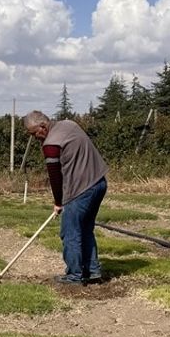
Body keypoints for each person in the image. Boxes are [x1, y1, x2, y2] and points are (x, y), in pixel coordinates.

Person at [24, 110, 108, 285]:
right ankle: (92, 271)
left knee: (70, 233)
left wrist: (58, 202)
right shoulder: (70, 124)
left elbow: (55, 177)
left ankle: (74, 276)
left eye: (34, 133)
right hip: (99, 183)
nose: (34, 138)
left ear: (43, 126)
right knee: (85, 229)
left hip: (81, 190)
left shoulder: (51, 144)